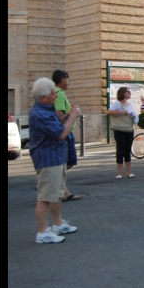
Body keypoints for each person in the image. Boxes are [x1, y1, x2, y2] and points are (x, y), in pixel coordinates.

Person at [29, 77, 81, 243]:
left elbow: (58, 128)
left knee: (57, 194)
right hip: (47, 159)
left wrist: (66, 117)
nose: (56, 95)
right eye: (52, 93)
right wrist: (72, 117)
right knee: (45, 197)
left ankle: (57, 224)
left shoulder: (47, 109)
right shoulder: (40, 114)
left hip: (56, 158)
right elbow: (61, 134)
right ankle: (42, 232)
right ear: (44, 97)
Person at [52, 70, 80, 201]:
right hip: (66, 131)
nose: (68, 83)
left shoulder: (57, 93)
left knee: (66, 162)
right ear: (63, 80)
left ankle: (64, 191)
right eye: (68, 80)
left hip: (66, 131)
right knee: (70, 161)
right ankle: (48, 181)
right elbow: (59, 114)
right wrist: (70, 115)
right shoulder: (59, 94)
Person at [107, 86, 138, 178]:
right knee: (120, 150)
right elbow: (108, 112)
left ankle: (129, 171)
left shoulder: (130, 105)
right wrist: (121, 112)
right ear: (123, 93)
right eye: (128, 92)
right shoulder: (117, 104)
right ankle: (119, 172)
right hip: (119, 129)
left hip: (128, 129)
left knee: (127, 150)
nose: (130, 93)